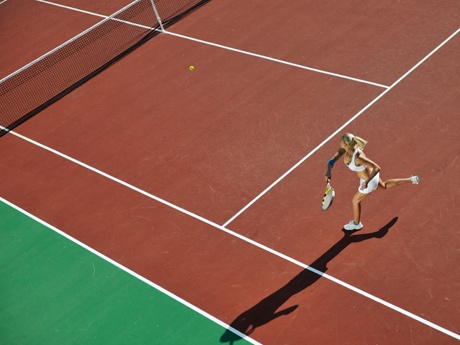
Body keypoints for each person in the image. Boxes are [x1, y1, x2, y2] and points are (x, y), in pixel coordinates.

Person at [325, 133, 419, 231]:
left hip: (369, 180)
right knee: (384, 186)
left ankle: (356, 224)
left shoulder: (358, 158)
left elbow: (377, 168)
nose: (339, 142)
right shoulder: (346, 149)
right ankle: (411, 180)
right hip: (369, 177)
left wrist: (367, 182)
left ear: (346, 144)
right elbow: (334, 158)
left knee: (355, 201)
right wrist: (329, 169)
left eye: (340, 141)